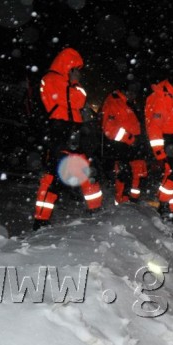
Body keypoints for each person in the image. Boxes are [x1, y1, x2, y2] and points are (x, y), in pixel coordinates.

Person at [32, 47, 103, 230]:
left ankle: (96, 211)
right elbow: (59, 100)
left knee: (87, 172)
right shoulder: (50, 79)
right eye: (76, 68)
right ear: (68, 66)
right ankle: (41, 220)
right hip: (58, 132)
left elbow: (80, 101)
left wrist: (74, 84)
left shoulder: (74, 85)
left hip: (75, 131)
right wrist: (71, 85)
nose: (78, 72)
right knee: (52, 178)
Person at [145, 76, 173, 225]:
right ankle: (164, 206)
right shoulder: (164, 97)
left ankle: (170, 210)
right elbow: (154, 126)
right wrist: (159, 151)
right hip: (168, 142)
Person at [101, 89, 147, 204]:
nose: (133, 95)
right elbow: (109, 129)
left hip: (134, 147)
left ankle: (133, 200)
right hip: (121, 147)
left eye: (135, 92)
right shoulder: (114, 102)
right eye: (131, 91)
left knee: (137, 173)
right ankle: (121, 203)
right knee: (123, 175)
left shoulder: (130, 103)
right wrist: (129, 138)